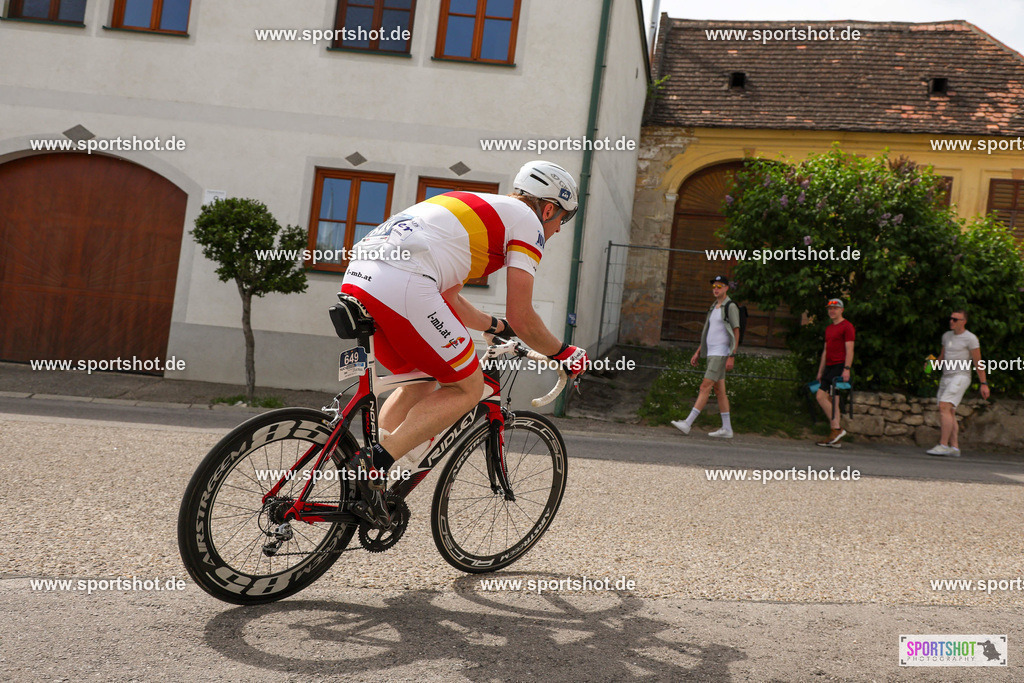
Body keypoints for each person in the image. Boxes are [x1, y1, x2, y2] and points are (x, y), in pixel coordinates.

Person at [339, 161, 589, 526]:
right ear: (549, 208)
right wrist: (564, 353)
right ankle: (374, 463)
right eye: (561, 221)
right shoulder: (528, 221)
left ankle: (366, 477)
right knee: (467, 387)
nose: (555, 230)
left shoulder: (472, 206)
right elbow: (522, 314)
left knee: (420, 381)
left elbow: (449, 297)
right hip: (404, 283)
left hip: (360, 278)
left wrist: (493, 325)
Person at [672, 275, 740, 438]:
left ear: (726, 288)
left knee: (705, 386)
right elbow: (710, 332)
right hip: (711, 352)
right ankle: (727, 428)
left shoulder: (730, 306)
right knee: (719, 391)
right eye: (714, 286)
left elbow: (736, 330)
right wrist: (698, 351)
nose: (715, 289)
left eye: (719, 286)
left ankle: (687, 423)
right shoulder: (714, 307)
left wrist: (732, 355)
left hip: (721, 353)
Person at [926, 309, 989, 457]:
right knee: (949, 411)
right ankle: (954, 447)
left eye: (956, 319)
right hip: (946, 376)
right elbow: (942, 356)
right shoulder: (946, 336)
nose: (951, 321)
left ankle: (943, 445)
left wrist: (984, 383)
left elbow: (978, 362)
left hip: (961, 376)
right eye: (951, 318)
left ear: (964, 322)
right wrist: (931, 366)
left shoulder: (970, 338)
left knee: (944, 406)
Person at [815, 298, 855, 447]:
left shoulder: (847, 326)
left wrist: (847, 369)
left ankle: (837, 429)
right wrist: (820, 371)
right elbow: (825, 351)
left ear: (842, 310)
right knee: (832, 400)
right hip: (829, 366)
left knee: (821, 396)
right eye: (830, 309)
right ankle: (835, 435)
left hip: (839, 366)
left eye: (835, 308)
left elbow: (850, 349)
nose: (832, 311)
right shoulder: (829, 328)